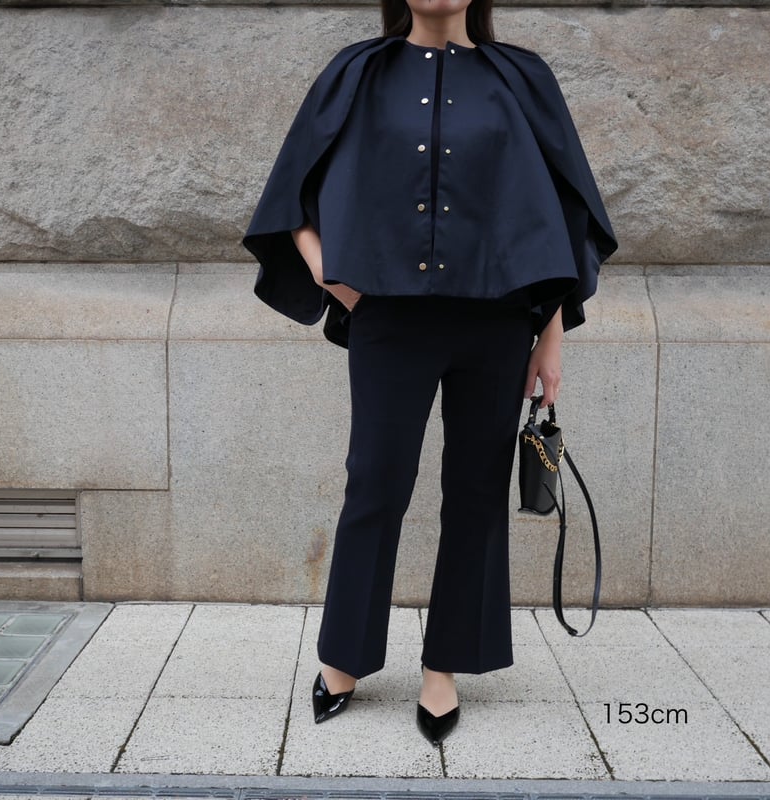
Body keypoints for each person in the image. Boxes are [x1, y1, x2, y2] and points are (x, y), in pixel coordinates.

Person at [242, 0, 617, 745]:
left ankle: (443, 667)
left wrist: (550, 339)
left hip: (497, 323)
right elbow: (292, 196)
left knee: (475, 493)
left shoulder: (522, 79)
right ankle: (344, 659)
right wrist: (334, 279)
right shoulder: (356, 73)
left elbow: (560, 218)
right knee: (374, 483)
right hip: (390, 321)